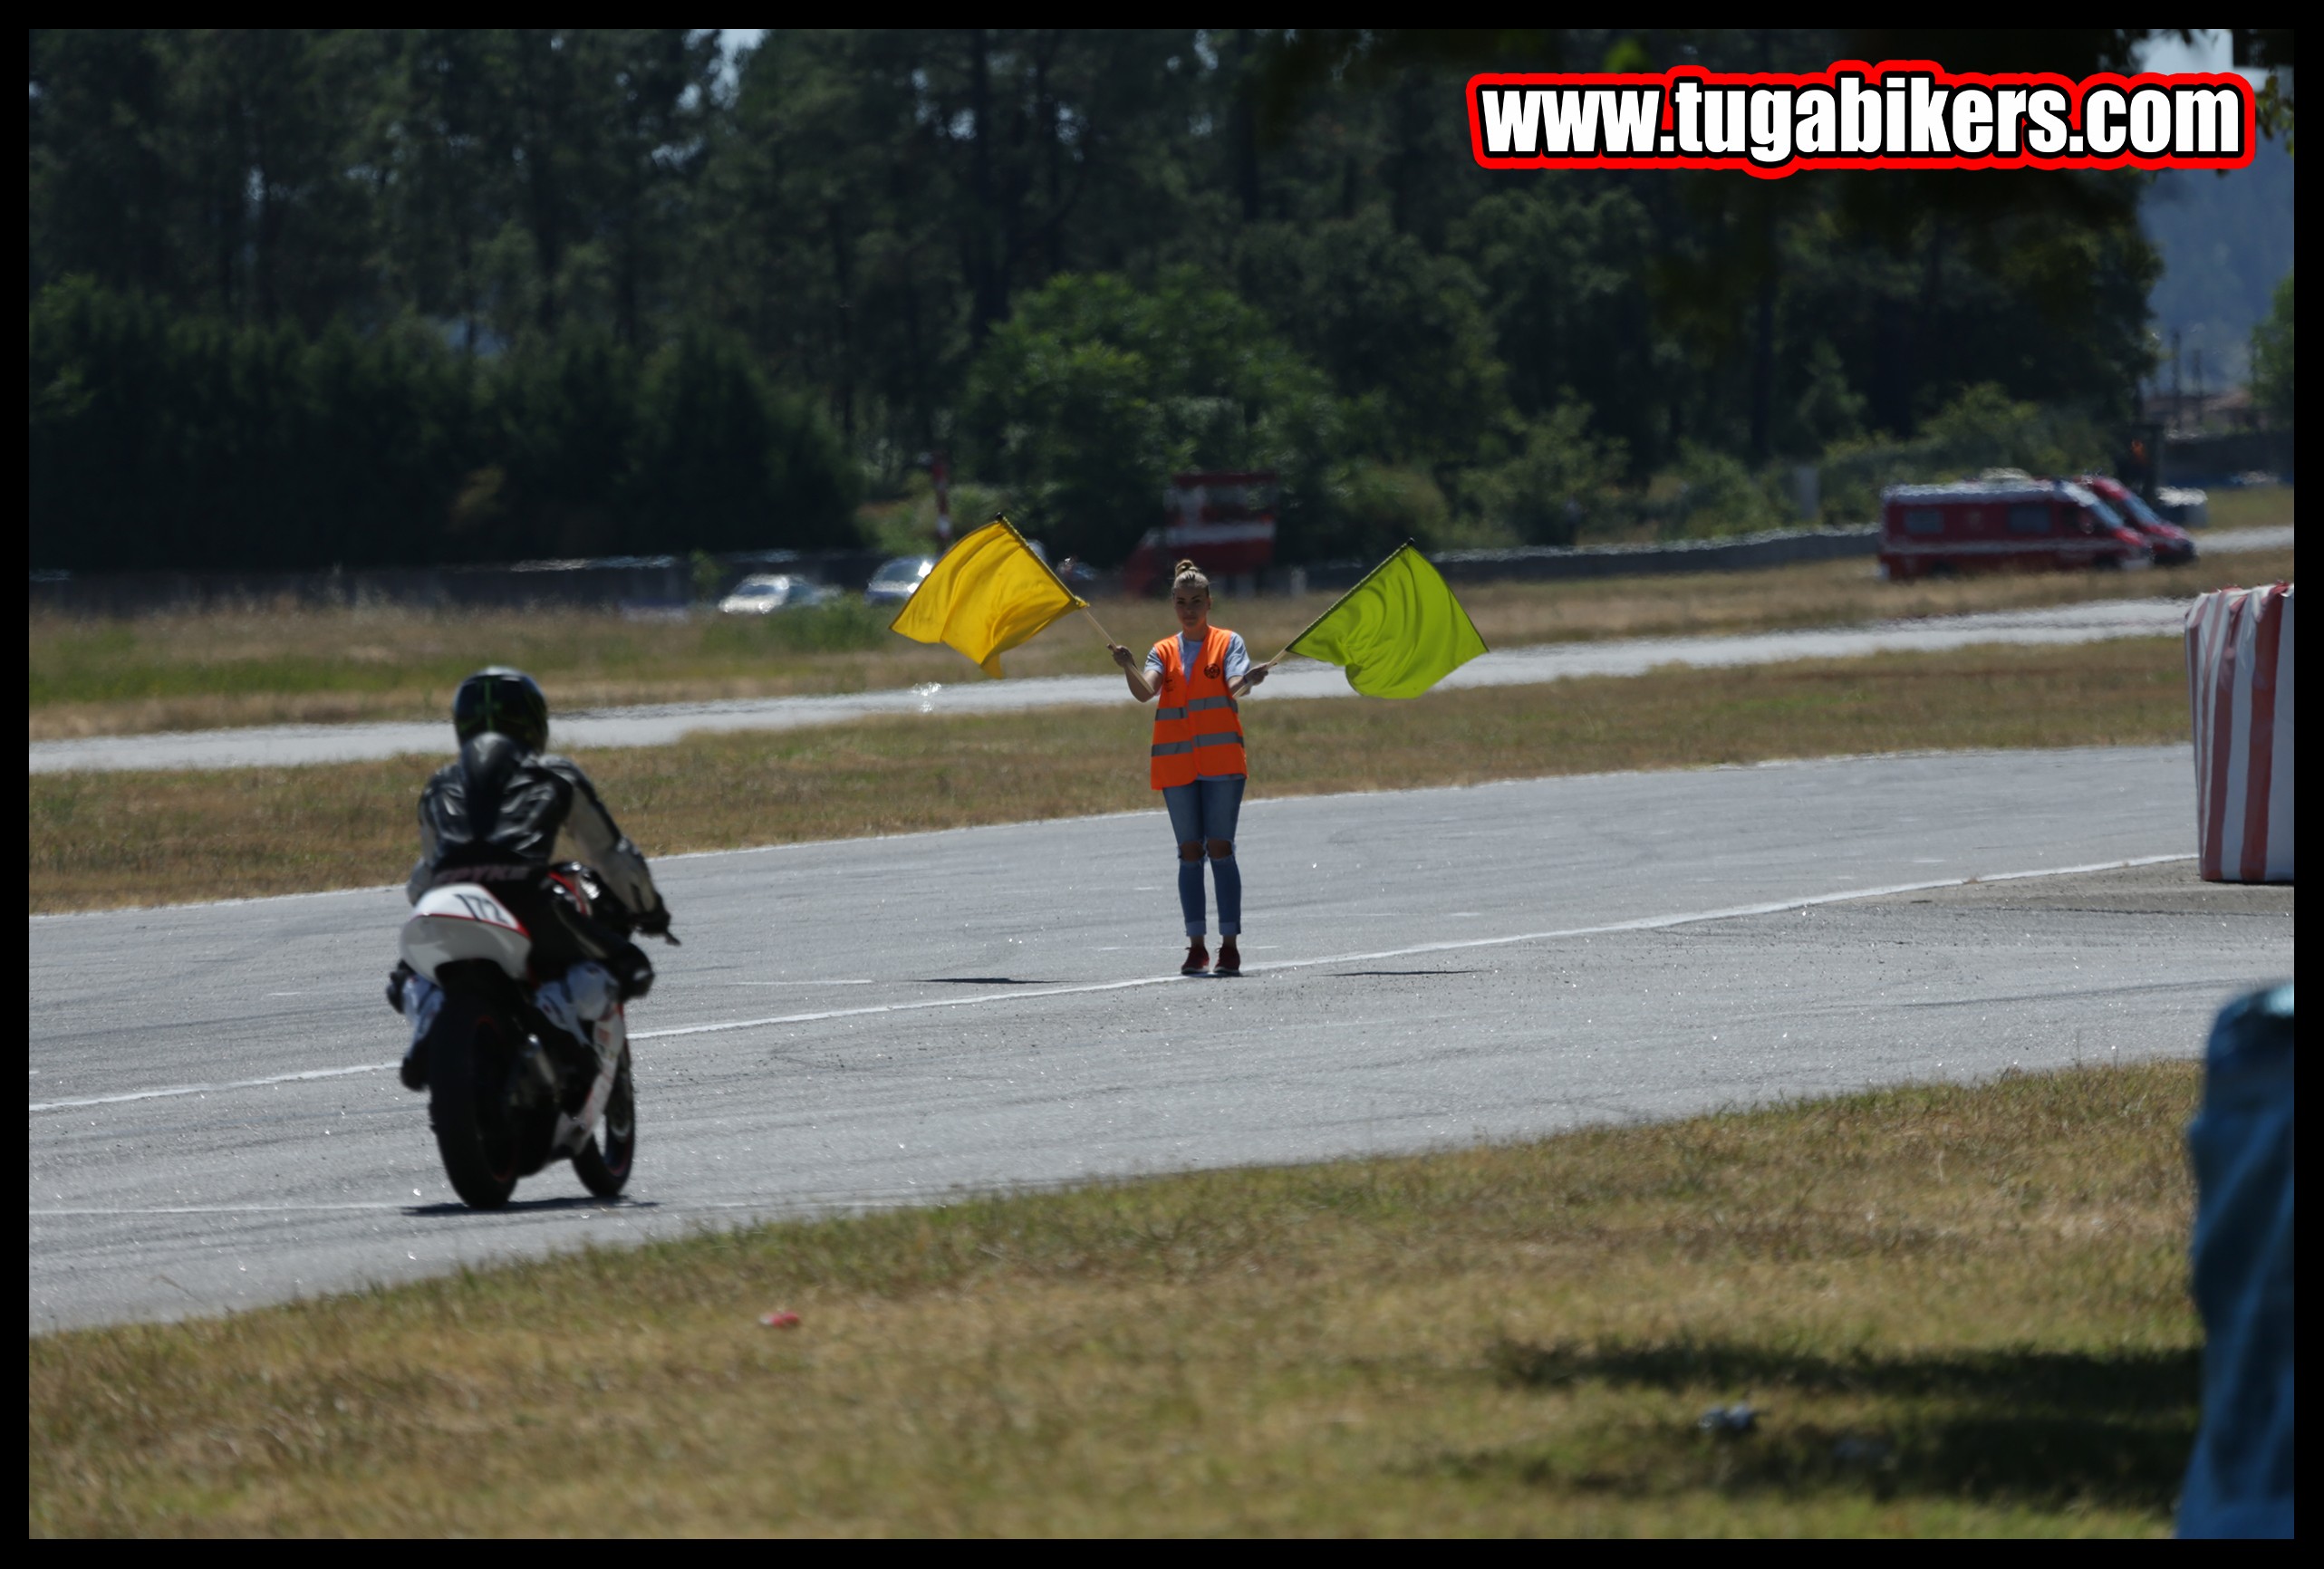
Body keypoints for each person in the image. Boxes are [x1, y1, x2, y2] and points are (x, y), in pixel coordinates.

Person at [387, 667, 672, 1092]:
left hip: (447, 900)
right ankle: (556, 1004)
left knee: (402, 979)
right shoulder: (555, 773)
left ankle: (429, 1014)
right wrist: (648, 909)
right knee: (631, 966)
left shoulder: (439, 785)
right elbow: (611, 855)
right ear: (534, 723)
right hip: (524, 898)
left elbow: (422, 879)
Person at [1108, 560, 1270, 976]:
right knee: (1188, 852)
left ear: (1209, 602)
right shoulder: (1163, 650)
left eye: (1196, 601)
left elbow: (1234, 684)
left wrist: (1249, 680)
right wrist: (1128, 665)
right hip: (1177, 764)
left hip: (1222, 764)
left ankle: (1229, 945)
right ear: (1173, 605)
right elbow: (1146, 692)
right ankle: (1196, 946)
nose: (1189, 609)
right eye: (1181, 602)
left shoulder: (1228, 642)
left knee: (1220, 848)